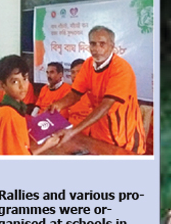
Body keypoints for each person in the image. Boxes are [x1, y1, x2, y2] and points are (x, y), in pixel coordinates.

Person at [48, 25, 146, 154]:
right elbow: (75, 94)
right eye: (93, 44)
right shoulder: (88, 64)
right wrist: (58, 104)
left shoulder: (121, 69)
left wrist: (73, 131)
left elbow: (105, 106)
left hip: (124, 137)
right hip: (99, 135)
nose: (97, 49)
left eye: (102, 44)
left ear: (112, 46)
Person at [0, 55, 60, 155]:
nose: (22, 86)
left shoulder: (7, 109)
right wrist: (47, 145)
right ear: (2, 85)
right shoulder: (11, 115)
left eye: (25, 79)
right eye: (15, 81)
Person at [65, 58, 93, 128]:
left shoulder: (94, 93)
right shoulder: (68, 92)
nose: (75, 75)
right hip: (69, 132)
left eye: (79, 72)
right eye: (73, 72)